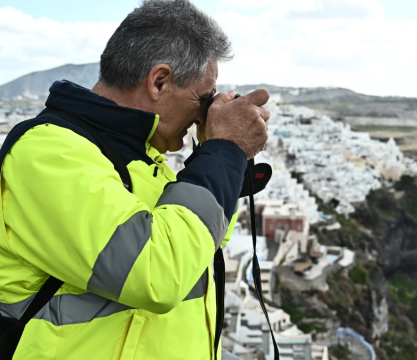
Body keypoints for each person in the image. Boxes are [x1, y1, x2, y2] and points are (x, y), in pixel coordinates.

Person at [0, 0, 269, 359]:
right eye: (204, 98)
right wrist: (224, 151)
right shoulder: (48, 153)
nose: (205, 111)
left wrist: (221, 160)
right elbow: (158, 273)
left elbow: (197, 248)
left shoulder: (145, 162)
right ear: (159, 81)